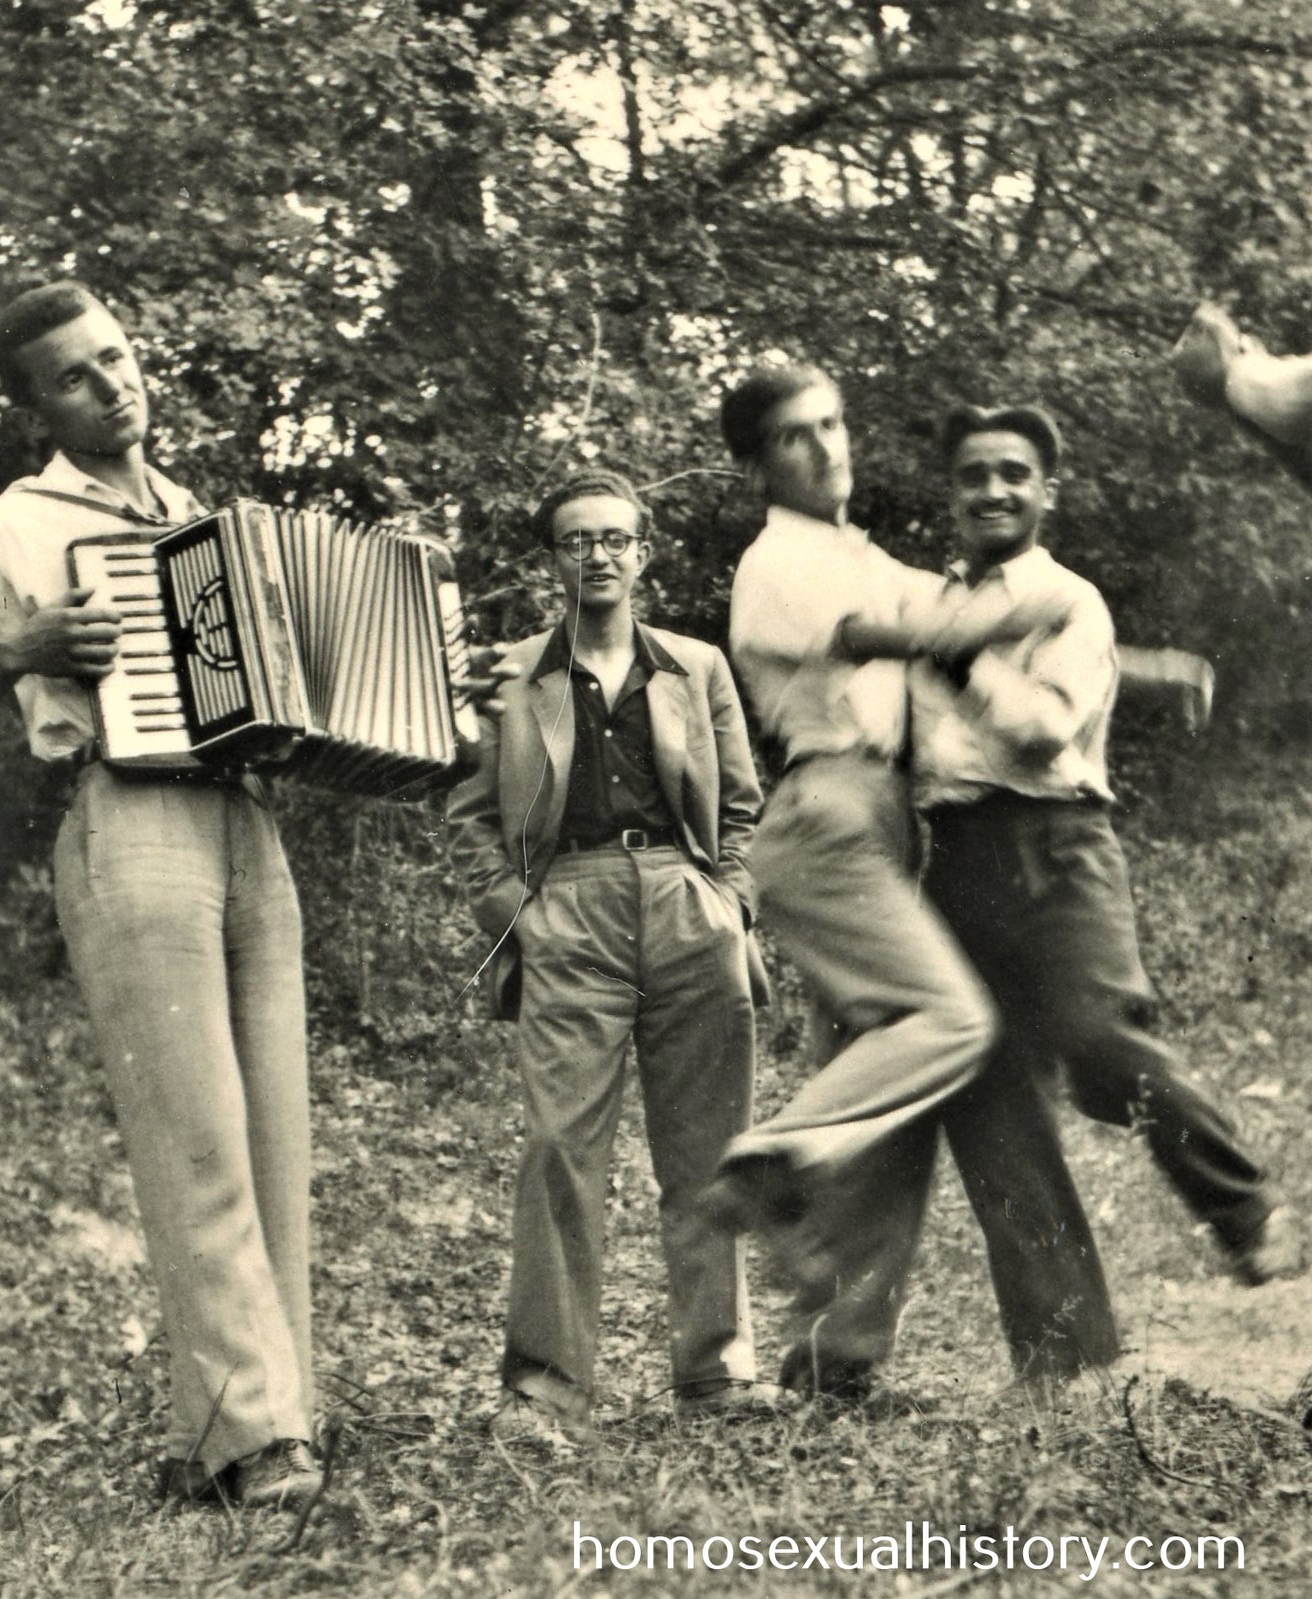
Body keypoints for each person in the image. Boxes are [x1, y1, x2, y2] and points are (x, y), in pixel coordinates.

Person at [0, 280, 515, 1510]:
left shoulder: (199, 519)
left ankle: (233, 1426)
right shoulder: (9, 529)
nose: (111, 383)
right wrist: (18, 651)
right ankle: (261, 1437)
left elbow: (312, 685)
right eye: (74, 375)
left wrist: (440, 697)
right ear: (35, 405)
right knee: (193, 1138)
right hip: (127, 814)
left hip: (246, 818)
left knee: (273, 1137)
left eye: (118, 357)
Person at [708, 365, 1122, 1396]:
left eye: (833, 423)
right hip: (828, 812)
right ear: (759, 463)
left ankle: (832, 1362)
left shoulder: (859, 551)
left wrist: (1137, 662)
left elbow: (953, 623)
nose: (825, 446)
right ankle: (777, 1150)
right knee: (949, 1024)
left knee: (888, 1099)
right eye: (795, 436)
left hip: (893, 822)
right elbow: (881, 636)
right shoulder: (776, 562)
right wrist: (1002, 627)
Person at [888, 404, 1304, 1290]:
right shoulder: (929, 603)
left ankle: (1244, 1204)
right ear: (950, 494)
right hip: (954, 857)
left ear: (1046, 492)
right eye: (972, 475)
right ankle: (1062, 1351)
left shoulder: (1071, 600)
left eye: (1012, 473)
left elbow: (1040, 733)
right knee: (995, 1102)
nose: (991, 489)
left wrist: (952, 656)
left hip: (1054, 845)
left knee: (1101, 1042)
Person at [444, 468, 782, 1440]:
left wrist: (729, 902)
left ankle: (716, 1374)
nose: (595, 554)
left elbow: (744, 806)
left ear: (642, 552)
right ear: (554, 558)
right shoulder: (507, 671)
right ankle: (543, 1391)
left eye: (612, 537)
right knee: (558, 1149)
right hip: (568, 910)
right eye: (574, 539)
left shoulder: (694, 665)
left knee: (709, 1148)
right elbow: (467, 813)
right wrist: (518, 909)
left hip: (685, 905)